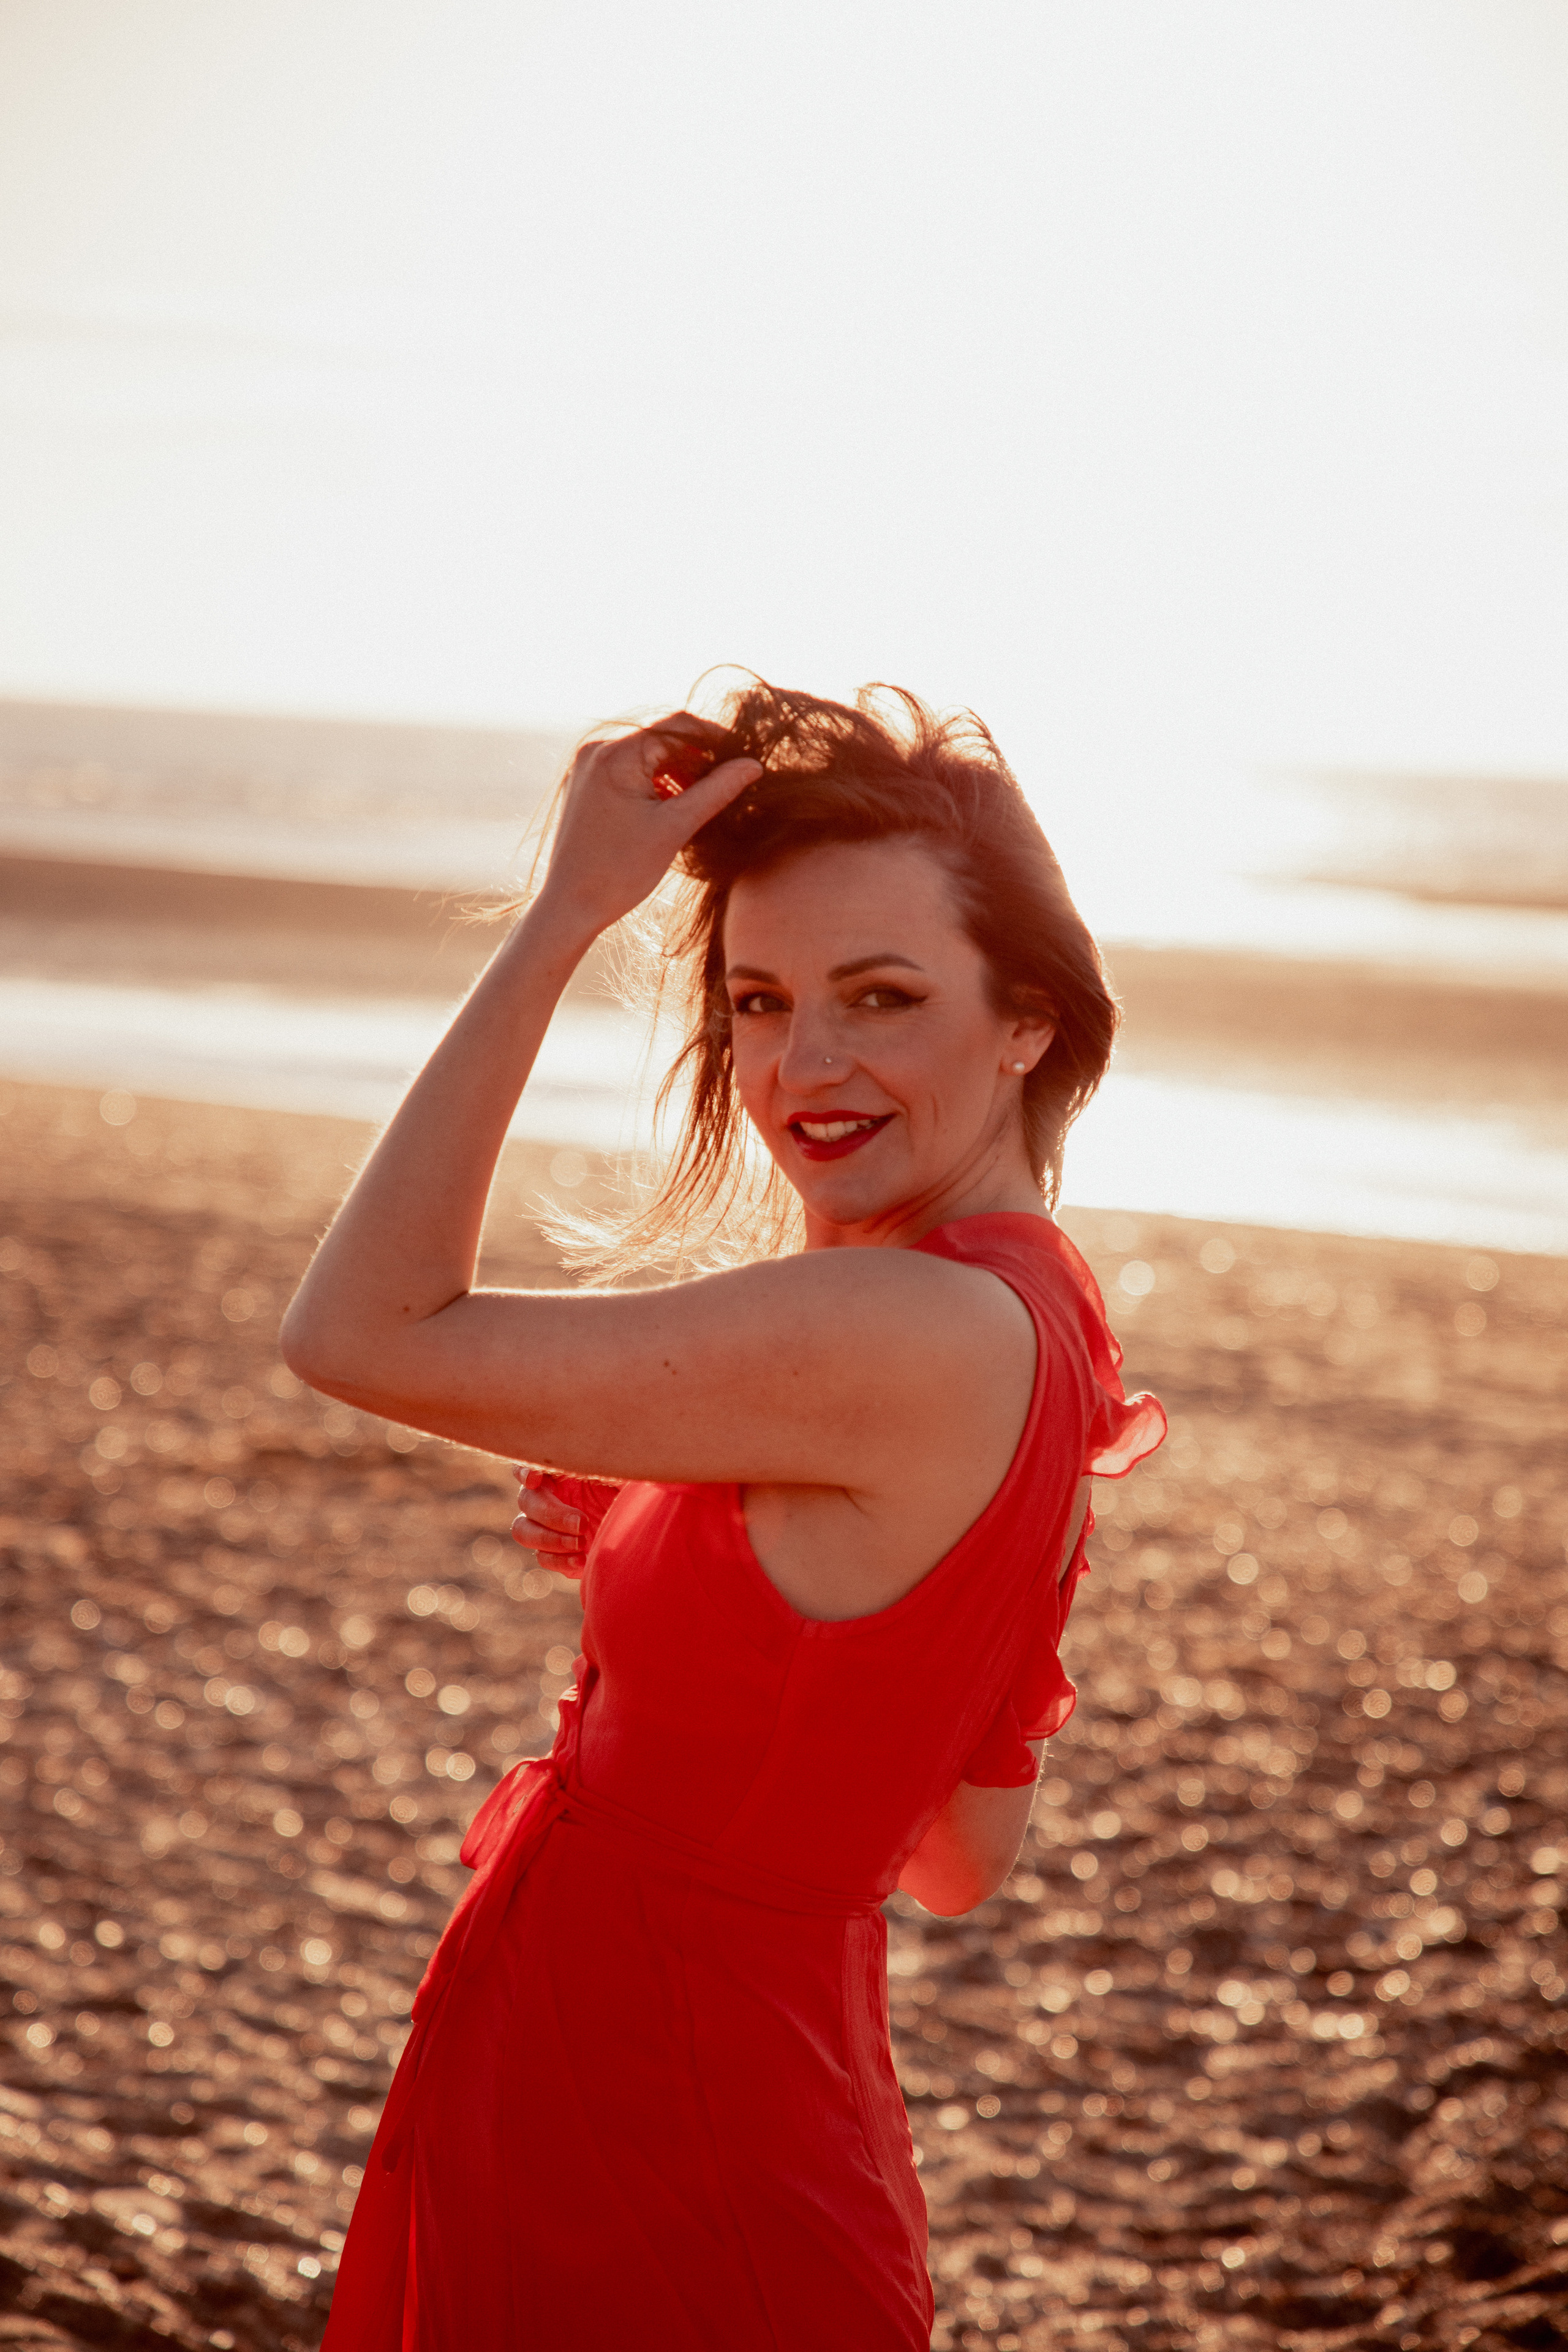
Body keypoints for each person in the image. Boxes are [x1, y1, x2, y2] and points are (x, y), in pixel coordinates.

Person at [282, 681, 1164, 2351]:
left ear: (1029, 1022)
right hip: (704, 2081)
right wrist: (734, 1616)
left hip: (660, 2122)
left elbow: (356, 1333)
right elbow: (957, 1856)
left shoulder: (901, 1327)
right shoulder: (1040, 1322)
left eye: (883, 997)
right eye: (759, 1003)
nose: (802, 1067)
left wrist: (562, 917)